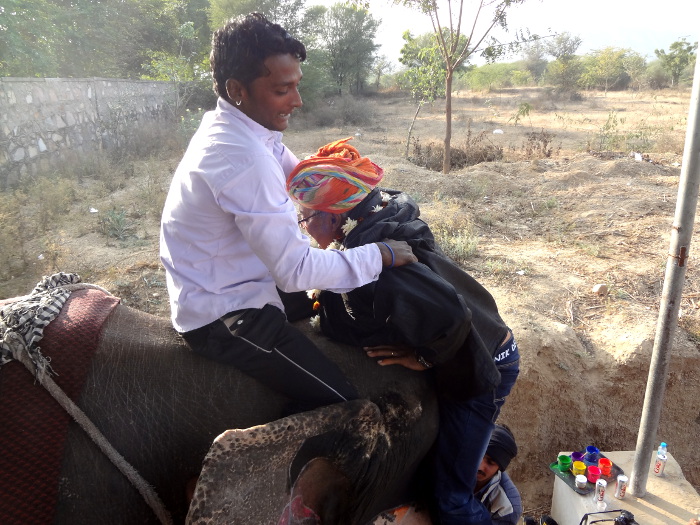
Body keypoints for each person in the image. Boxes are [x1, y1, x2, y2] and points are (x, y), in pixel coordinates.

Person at [159, 13, 416, 413]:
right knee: (344, 404)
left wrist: (363, 200)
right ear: (236, 89)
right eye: (283, 90)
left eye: (296, 86)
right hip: (225, 311)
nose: (297, 101)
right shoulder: (240, 157)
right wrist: (380, 255)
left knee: (340, 305)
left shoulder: (250, 131)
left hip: (244, 276)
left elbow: (305, 184)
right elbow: (294, 271)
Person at [287, 137, 521, 525]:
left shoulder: (381, 261)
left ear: (334, 216)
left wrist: (425, 356)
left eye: (307, 217)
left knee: (450, 497)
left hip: (482, 358)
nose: (305, 227)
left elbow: (452, 315)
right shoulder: (375, 222)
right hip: (480, 331)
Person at [475, 424, 522, 525]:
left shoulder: (507, 507)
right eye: (479, 455)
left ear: (500, 468)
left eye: (490, 462)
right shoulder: (456, 468)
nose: (480, 466)